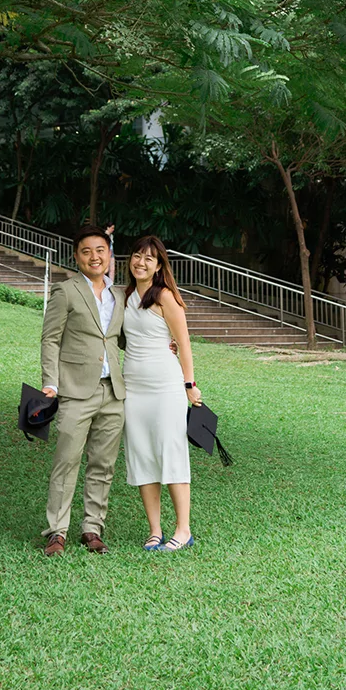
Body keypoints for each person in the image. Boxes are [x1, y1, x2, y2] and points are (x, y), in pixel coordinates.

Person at [38, 227, 126, 556]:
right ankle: (56, 531)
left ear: (109, 255)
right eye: (87, 251)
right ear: (77, 257)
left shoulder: (119, 296)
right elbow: (50, 338)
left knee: (103, 464)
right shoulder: (66, 291)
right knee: (66, 461)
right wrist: (51, 381)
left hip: (113, 393)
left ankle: (92, 528)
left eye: (100, 250)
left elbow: (120, 340)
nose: (94, 257)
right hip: (76, 391)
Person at [123, 234, 202, 552]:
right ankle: (154, 530)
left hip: (165, 387)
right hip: (133, 389)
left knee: (171, 453)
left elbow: (183, 343)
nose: (140, 262)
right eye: (137, 256)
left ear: (158, 267)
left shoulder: (165, 297)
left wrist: (189, 385)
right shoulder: (126, 295)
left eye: (149, 259)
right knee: (142, 455)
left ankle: (183, 530)